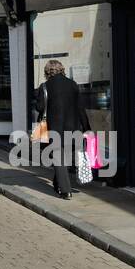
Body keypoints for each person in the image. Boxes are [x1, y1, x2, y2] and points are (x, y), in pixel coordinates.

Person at [32, 59, 90, 199]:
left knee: (58, 158)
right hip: (73, 127)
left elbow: (39, 107)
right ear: (62, 69)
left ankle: (65, 190)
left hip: (54, 128)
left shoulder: (45, 86)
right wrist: (87, 127)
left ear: (47, 72)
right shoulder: (73, 85)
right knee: (63, 158)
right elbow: (80, 108)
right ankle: (58, 183)